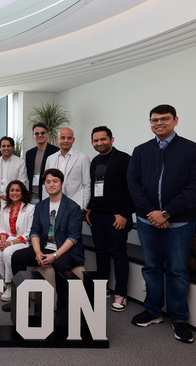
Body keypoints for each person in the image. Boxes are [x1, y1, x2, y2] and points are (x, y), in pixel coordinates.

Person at [127, 104, 196, 343]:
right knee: (151, 267)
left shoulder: (194, 150)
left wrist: (167, 213)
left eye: (164, 119)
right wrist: (153, 213)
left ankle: (178, 318)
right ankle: (153, 311)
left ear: (175, 120)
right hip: (146, 220)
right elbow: (133, 185)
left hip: (180, 224)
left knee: (177, 271)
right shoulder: (141, 151)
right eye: (154, 120)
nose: (158, 123)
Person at [10, 169, 85, 314]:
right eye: (48, 182)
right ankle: (21, 300)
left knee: (61, 264)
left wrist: (55, 255)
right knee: (17, 257)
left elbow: (73, 238)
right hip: (45, 246)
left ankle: (62, 309)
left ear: (61, 183)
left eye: (55, 181)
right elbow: (35, 231)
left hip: (67, 251)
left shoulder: (73, 207)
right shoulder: (41, 206)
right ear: (44, 185)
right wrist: (37, 251)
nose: (51, 185)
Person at [85, 126, 133, 311]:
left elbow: (132, 190)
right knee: (101, 252)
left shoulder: (124, 159)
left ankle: (121, 293)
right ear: (92, 143)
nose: (99, 143)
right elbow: (94, 187)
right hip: (97, 216)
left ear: (112, 139)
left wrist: (125, 215)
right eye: (96, 141)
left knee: (119, 254)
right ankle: (102, 286)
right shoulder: (94, 161)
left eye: (103, 139)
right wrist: (90, 208)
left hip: (117, 217)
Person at [0, 180, 34, 302]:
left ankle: (10, 285)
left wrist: (10, 243)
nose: (14, 193)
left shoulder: (30, 208)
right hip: (8, 239)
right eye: (12, 190)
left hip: (23, 241)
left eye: (17, 190)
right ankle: (0, 282)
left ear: (22, 192)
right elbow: (3, 229)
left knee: (7, 252)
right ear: (8, 193)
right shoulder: (6, 209)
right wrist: (3, 241)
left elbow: (29, 233)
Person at [44, 127, 91, 210]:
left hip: (75, 205)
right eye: (62, 138)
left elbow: (87, 184)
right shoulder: (50, 159)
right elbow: (45, 183)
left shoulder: (83, 158)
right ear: (57, 139)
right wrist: (45, 203)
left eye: (69, 138)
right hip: (53, 205)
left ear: (73, 140)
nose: (66, 141)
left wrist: (84, 207)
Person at [25, 122, 60, 204]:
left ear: (47, 134)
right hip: (33, 197)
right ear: (33, 136)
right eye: (36, 133)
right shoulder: (29, 154)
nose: (40, 135)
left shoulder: (55, 151)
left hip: (50, 196)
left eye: (42, 133)